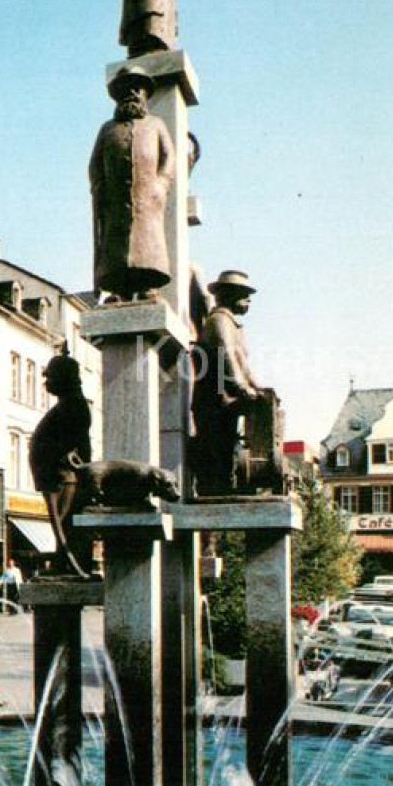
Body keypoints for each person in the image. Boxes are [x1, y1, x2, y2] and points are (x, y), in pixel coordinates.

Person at [89, 66, 175, 303]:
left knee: (147, 242)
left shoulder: (155, 124)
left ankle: (148, 284)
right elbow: (94, 163)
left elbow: (169, 157)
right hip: (114, 200)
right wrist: (99, 188)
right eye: (125, 89)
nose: (132, 93)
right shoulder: (107, 129)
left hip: (148, 197)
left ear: (145, 94)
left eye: (137, 88)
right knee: (116, 247)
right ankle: (119, 288)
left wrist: (161, 184)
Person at [191, 270, 260, 496]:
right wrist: (242, 388)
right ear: (230, 294)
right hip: (213, 400)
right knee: (214, 446)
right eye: (244, 294)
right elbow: (226, 357)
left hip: (224, 401)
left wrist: (259, 388)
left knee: (226, 445)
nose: (249, 300)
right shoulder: (218, 321)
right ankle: (212, 490)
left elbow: (243, 365)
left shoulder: (233, 325)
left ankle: (222, 486)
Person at [29, 348, 92, 577]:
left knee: (64, 525)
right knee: (62, 526)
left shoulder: (73, 406)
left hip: (64, 478)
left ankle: (68, 564)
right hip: (56, 476)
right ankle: (65, 562)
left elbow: (76, 447)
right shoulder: (69, 404)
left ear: (64, 378)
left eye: (50, 377)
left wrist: (57, 459)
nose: (46, 382)